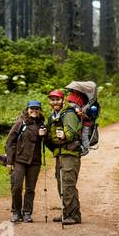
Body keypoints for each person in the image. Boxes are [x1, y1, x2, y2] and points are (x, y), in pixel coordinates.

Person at [43, 89, 83, 225]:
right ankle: (66, 212)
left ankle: (73, 215)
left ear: (63, 100)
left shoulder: (69, 114)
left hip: (70, 154)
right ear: (49, 101)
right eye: (52, 100)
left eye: (57, 99)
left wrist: (65, 136)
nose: (55, 102)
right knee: (61, 184)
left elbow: (73, 133)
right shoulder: (52, 116)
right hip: (59, 154)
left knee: (68, 183)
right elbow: (50, 138)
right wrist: (44, 135)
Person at [4, 101, 46, 223]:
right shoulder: (20, 122)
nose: (34, 110)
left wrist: (44, 135)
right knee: (16, 187)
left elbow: (47, 141)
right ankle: (16, 212)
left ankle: (27, 213)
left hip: (35, 161)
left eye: (37, 109)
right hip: (19, 160)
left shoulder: (41, 123)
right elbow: (10, 142)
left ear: (40, 110)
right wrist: (9, 161)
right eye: (32, 108)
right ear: (27, 109)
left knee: (30, 189)